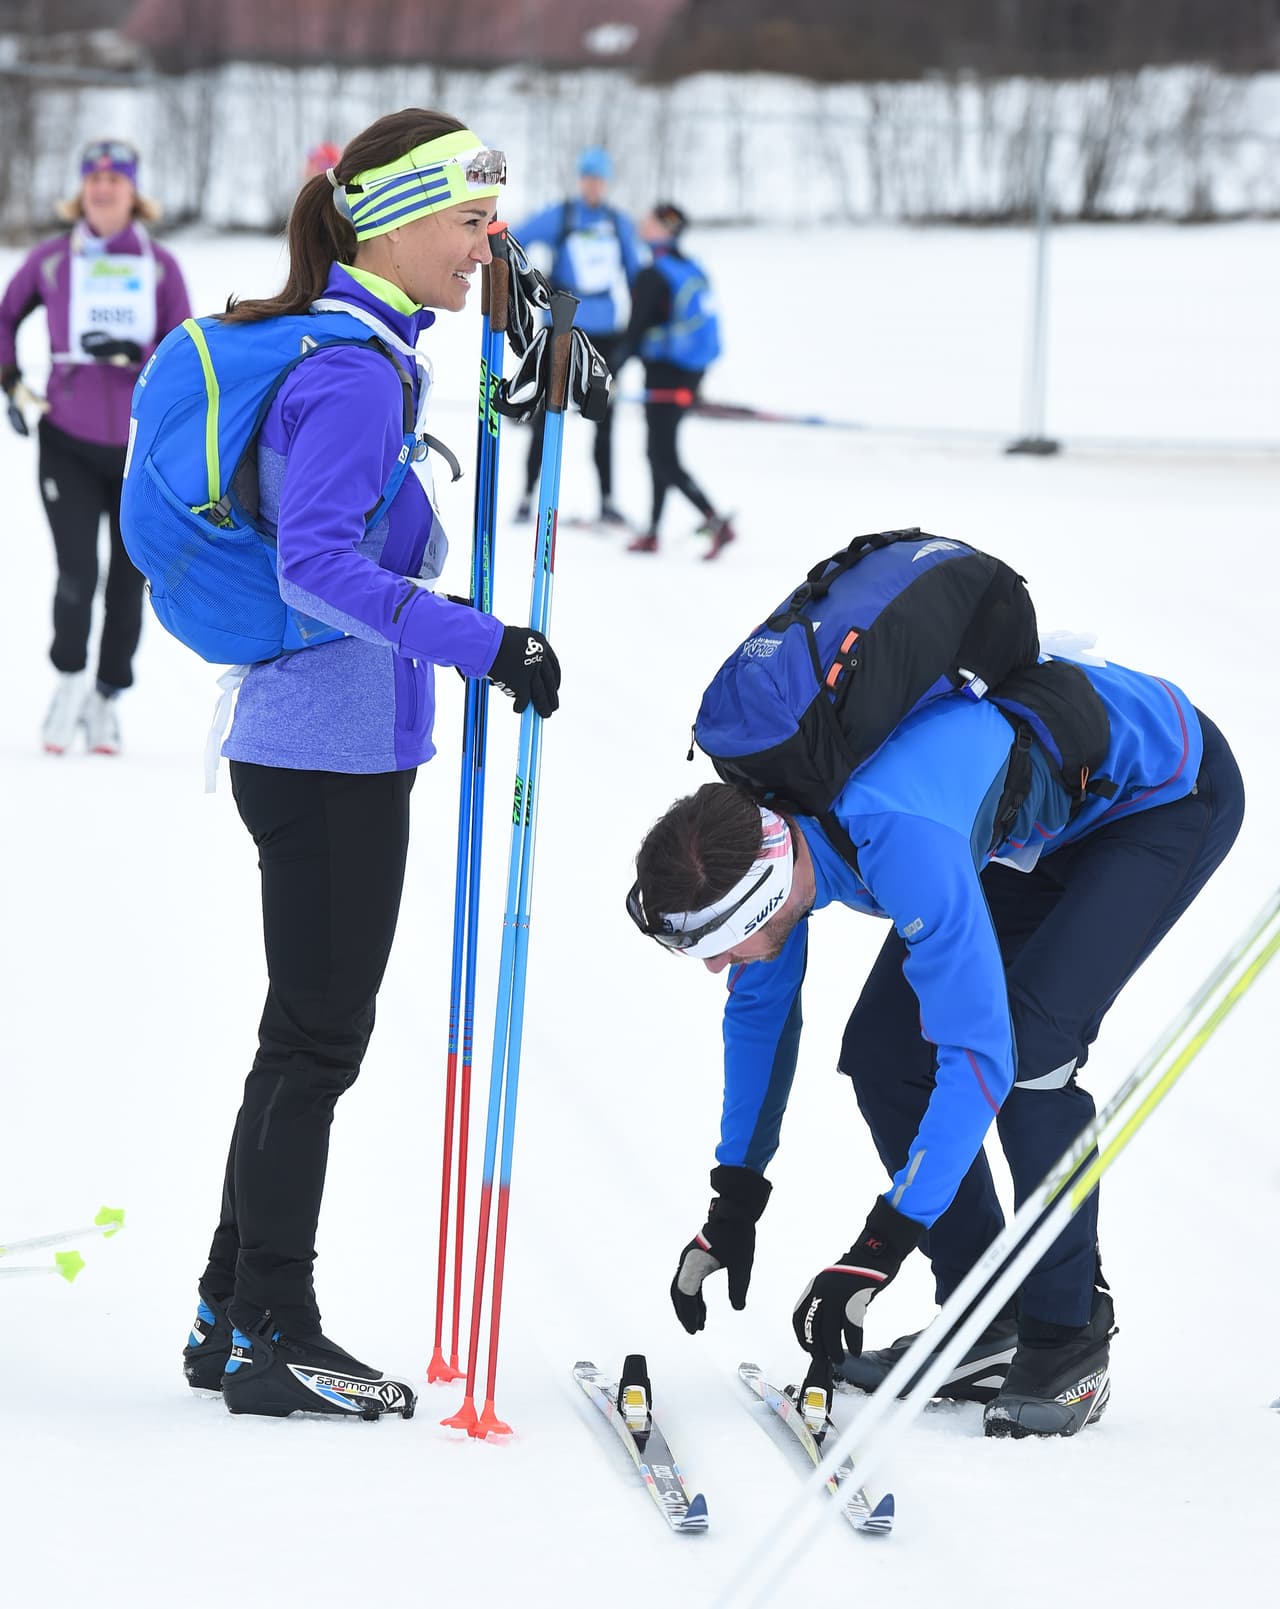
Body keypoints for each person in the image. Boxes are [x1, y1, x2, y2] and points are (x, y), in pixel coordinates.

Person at [177, 109, 562, 1420]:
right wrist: (485, 644)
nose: (485, 247)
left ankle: (231, 1311)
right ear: (393, 221)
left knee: (299, 1038)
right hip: (326, 753)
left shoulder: (367, 350)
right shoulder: (350, 372)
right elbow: (317, 567)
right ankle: (273, 1326)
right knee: (318, 1046)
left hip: (324, 743)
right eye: (468, 221)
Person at [627, 643, 1244, 1437]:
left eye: (716, 944)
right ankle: (987, 1318)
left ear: (763, 900)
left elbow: (978, 1057)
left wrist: (881, 1243)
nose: (716, 964)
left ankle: (1067, 1336)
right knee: (886, 1054)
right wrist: (736, 1195)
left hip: (1159, 795)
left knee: (1030, 1051)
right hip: (1029, 820)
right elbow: (759, 1019)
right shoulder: (766, 828)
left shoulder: (900, 838)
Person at [0, 139, 191, 755]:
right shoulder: (54, 260)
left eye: (116, 179)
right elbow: (5, 317)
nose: (104, 188)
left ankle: (107, 696)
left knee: (128, 580)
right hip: (68, 441)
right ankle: (67, 683)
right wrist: (12, 383)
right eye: (94, 179)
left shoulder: (160, 266)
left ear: (133, 193)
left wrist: (141, 354)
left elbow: (186, 351)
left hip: (139, 452)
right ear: (82, 191)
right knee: (77, 572)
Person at [512, 146, 642, 525]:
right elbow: (517, 239)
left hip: (605, 333)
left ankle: (607, 501)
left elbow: (637, 276)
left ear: (606, 183)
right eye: (587, 178)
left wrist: (637, 331)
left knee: (605, 418)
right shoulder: (564, 214)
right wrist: (537, 282)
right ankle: (527, 497)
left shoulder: (617, 222)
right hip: (563, 328)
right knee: (546, 414)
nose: (592, 186)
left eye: (598, 180)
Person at [611, 203, 733, 559]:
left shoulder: (654, 275)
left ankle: (714, 520)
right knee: (660, 452)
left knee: (662, 455)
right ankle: (653, 531)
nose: (643, 223)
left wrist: (609, 374)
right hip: (690, 373)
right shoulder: (689, 267)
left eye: (650, 221)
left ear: (665, 230)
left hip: (664, 373)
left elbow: (634, 333)